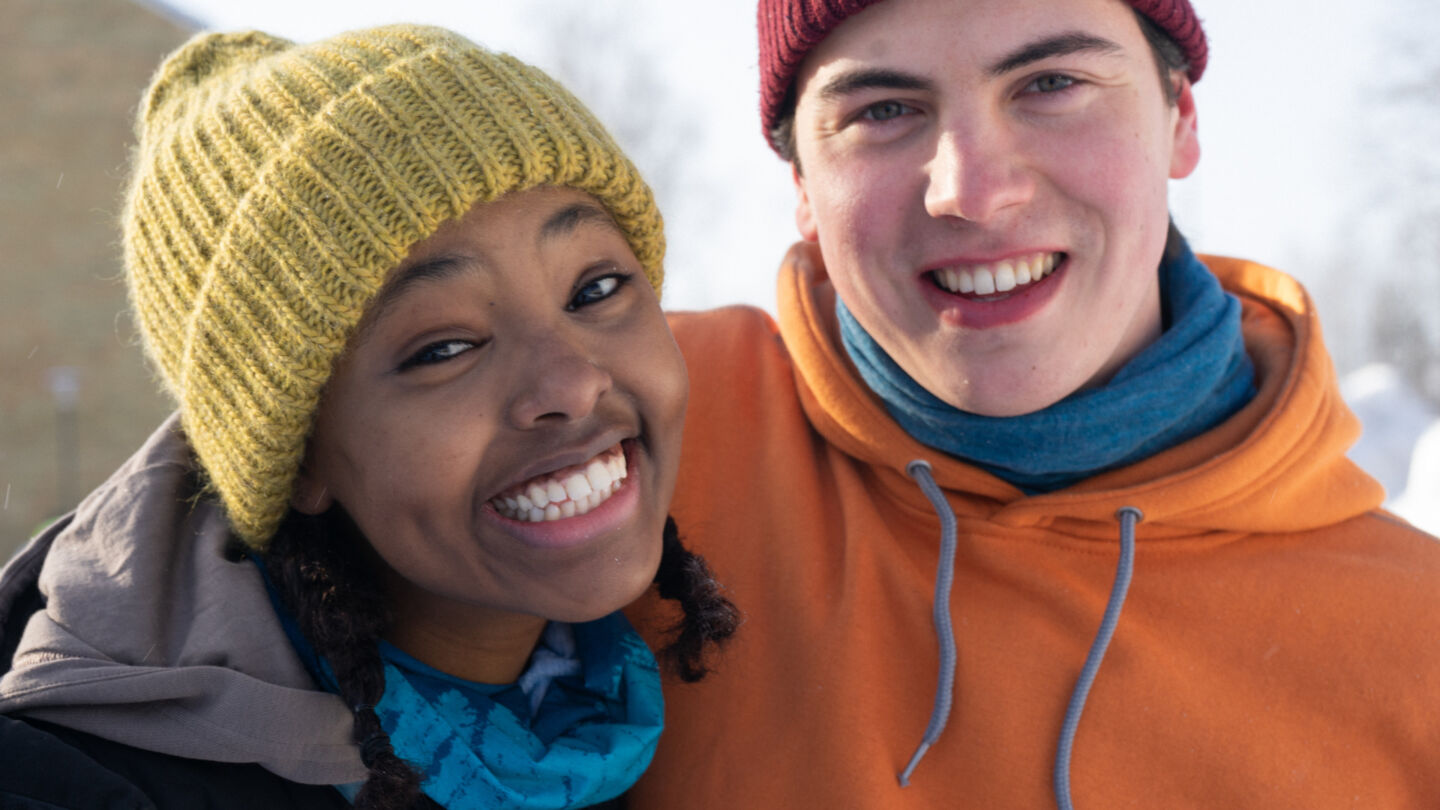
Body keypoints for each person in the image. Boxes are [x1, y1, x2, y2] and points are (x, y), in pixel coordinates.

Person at [624, 0, 1440, 807]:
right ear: (801, 179)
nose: (973, 192)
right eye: (883, 109)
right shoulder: (633, 434)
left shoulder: (1414, 643)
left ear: (1180, 116)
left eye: (1050, 82)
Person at [0, 24, 735, 810]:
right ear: (301, 458)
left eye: (594, 289)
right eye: (446, 346)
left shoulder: (624, 704)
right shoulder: (68, 784)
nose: (573, 383)